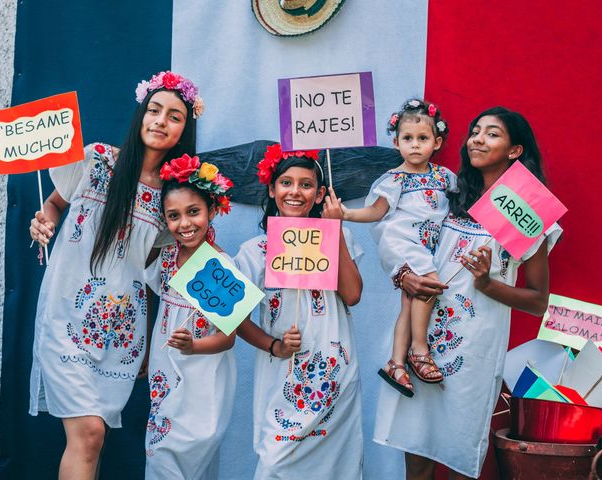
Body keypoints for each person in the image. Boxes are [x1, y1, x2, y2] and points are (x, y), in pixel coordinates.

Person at [28, 71, 203, 479]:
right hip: (66, 314)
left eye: (174, 116)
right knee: (87, 433)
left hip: (122, 328)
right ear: (141, 115)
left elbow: (154, 273)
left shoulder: (172, 199)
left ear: (184, 130)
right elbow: (54, 204)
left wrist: (147, 343)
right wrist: (44, 221)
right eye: (154, 110)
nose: (161, 121)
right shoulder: (98, 160)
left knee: (96, 437)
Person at [373, 107, 562, 479]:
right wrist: (403, 274)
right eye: (475, 131)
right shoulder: (448, 195)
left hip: (474, 350)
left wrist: (488, 283)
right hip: (423, 344)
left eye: (492, 134)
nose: (477, 138)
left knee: (460, 452)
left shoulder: (526, 213)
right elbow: (397, 234)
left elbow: (539, 301)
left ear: (514, 150)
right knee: (416, 452)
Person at [235, 143, 364, 479]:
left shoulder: (341, 235)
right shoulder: (255, 251)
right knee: (275, 464)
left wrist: (333, 233)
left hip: (334, 375)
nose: (295, 192)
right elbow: (231, 316)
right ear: (272, 188)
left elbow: (352, 295)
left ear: (320, 193)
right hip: (282, 375)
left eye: (306, 185)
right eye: (286, 182)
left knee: (335, 469)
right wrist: (273, 345)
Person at [339, 98, 455, 395]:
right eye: (407, 139)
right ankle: (419, 350)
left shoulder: (444, 177)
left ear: (437, 141)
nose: (415, 145)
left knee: (409, 301)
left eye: (422, 138)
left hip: (428, 245)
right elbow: (377, 211)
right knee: (428, 285)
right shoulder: (394, 179)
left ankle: (396, 362)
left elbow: (462, 204)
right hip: (402, 241)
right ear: (396, 143)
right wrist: (347, 214)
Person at [143, 156, 236, 479]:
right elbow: (149, 296)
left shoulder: (221, 266)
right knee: (160, 454)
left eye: (193, 212)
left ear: (212, 209)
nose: (185, 223)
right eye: (174, 216)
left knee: (192, 450)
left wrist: (193, 347)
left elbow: (228, 337)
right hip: (166, 373)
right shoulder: (167, 257)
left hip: (204, 378)